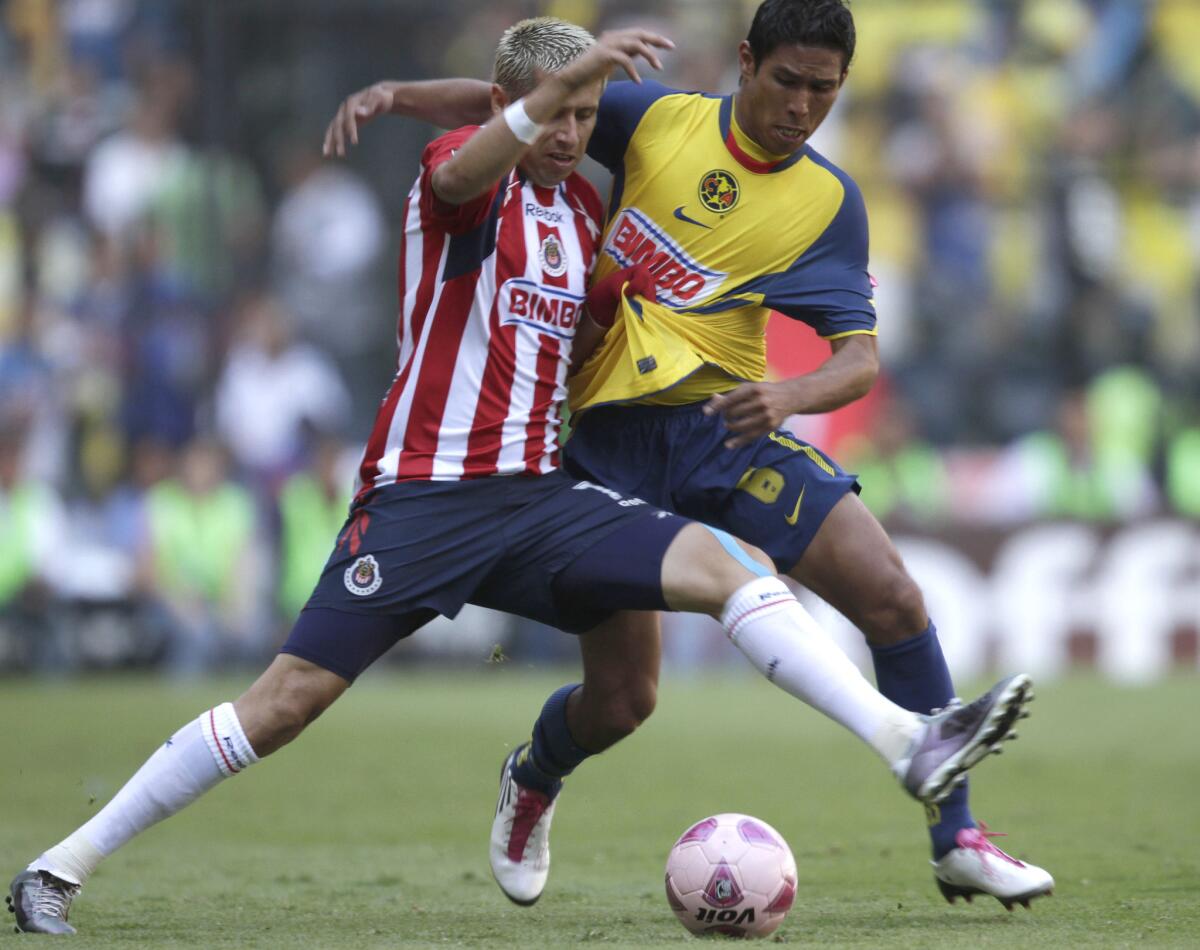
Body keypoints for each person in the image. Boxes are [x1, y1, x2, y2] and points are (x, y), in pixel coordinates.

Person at [6, 19, 1036, 936]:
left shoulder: (579, 220)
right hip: (422, 501)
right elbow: (463, 170)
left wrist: (628, 303)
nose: (572, 133)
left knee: (721, 576)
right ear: (509, 108)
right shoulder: (460, 176)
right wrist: (545, 74)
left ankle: (906, 737)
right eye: (556, 113)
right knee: (280, 703)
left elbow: (585, 325)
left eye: (588, 115)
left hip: (541, 494)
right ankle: (64, 861)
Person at [322, 0, 1054, 910]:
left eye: (823, 91)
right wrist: (397, 96)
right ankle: (536, 774)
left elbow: (860, 359)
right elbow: (522, 99)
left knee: (893, 596)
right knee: (624, 701)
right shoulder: (657, 118)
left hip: (726, 427)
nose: (801, 106)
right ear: (745, 63)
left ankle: (960, 841)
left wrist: (787, 395)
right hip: (601, 444)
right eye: (786, 81)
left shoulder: (830, 205)